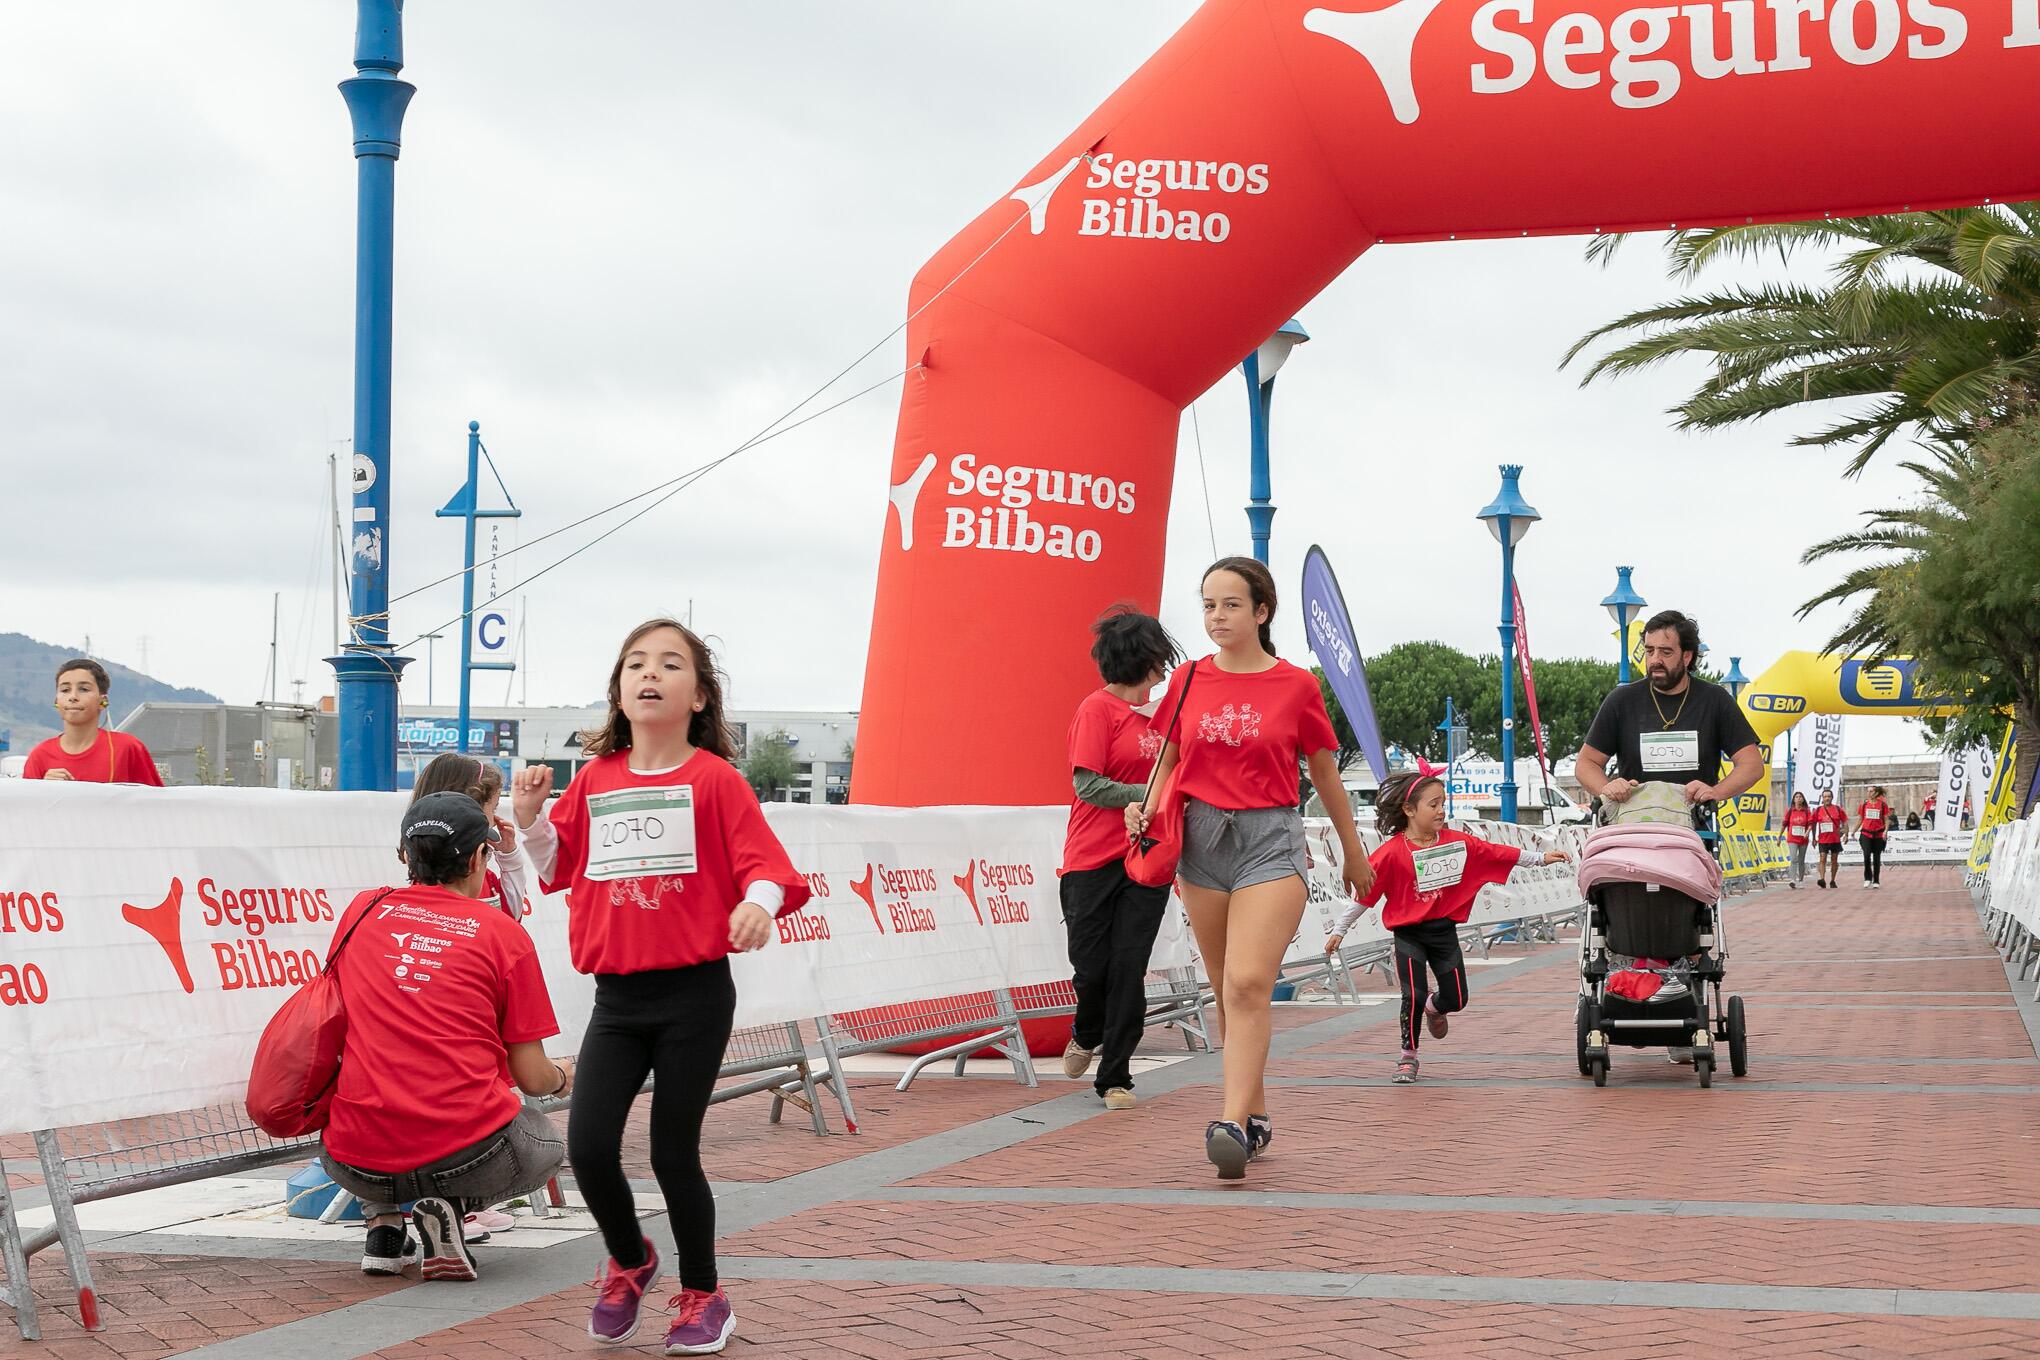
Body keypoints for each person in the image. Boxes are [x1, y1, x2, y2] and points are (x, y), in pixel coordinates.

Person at [513, 618, 809, 1355]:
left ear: (699, 696)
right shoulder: (595, 779)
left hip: (695, 996)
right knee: (585, 1146)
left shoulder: (715, 780)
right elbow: (557, 870)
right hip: (617, 999)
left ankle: (705, 1293)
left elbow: (769, 868)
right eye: (636, 663)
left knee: (675, 1151)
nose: (650, 674)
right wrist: (529, 822)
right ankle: (631, 1259)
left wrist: (758, 905)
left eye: (670, 664)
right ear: (619, 689)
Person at [1128, 557, 1373, 1181]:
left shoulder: (1296, 686)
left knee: (1246, 984)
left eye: (1231, 605)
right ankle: (1256, 1114)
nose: (1217, 617)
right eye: (1209, 605)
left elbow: (1323, 773)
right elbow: (1169, 764)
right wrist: (1146, 811)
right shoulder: (1186, 680)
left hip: (1270, 838)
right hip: (1200, 839)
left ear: (1262, 612)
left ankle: (1231, 1122)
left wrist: (1353, 849)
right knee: (1227, 990)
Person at [319, 793, 572, 1283]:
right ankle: (451, 1208)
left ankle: (385, 1232)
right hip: (466, 1155)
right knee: (546, 1142)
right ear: (479, 857)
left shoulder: (360, 912)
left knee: (383, 1099)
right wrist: (564, 1079)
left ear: (404, 856)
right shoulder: (502, 934)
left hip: (352, 1158)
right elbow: (533, 1077)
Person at [1324, 771, 1569, 1083]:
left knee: (1456, 999)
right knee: (1411, 993)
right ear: (1409, 810)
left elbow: (1495, 852)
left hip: (1443, 933)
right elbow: (1365, 894)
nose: (1441, 811)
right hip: (1408, 934)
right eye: (1433, 804)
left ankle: (1434, 1007)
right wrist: (1340, 929)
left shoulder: (1456, 843)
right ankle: (1407, 1057)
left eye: (1443, 804)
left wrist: (1542, 857)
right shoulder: (1389, 853)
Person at [1059, 607, 1183, 1111]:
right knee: (1092, 969)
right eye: (1159, 657)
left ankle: (1116, 1078)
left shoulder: (1165, 716)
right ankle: (1086, 1030)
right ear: (1143, 660)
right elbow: (1086, 785)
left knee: (1129, 965)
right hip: (1091, 857)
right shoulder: (1096, 710)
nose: (1164, 667)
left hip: (1147, 857)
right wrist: (1149, 792)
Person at [1575, 612, 1764, 823]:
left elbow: (1752, 765)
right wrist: (1607, 787)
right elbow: (1586, 763)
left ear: (1686, 656)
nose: (1655, 660)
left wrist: (1716, 792)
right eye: (1649, 651)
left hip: (1693, 830)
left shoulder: (1714, 699)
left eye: (1665, 652)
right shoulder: (1622, 700)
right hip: (1633, 829)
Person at [412, 754, 527, 920]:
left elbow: (510, 915)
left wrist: (509, 856)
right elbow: (511, 919)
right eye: (493, 809)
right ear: (469, 810)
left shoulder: (479, 874)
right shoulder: (464, 878)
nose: (495, 820)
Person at [23, 658, 163, 785]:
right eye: (65, 690)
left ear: (103, 701)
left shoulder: (128, 748)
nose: (73, 697)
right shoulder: (40, 755)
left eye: (84, 689)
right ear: (56, 701)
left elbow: (155, 805)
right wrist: (43, 789)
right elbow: (26, 810)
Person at [1857, 785, 1893, 889]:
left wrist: (1885, 831)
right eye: (1868, 791)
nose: (1869, 793)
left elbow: (1886, 819)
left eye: (1871, 791)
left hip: (1878, 834)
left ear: (1876, 792)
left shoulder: (1882, 805)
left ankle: (1876, 880)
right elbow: (1860, 819)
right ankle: (1867, 878)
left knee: (1876, 857)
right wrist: (1853, 831)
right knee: (1866, 855)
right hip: (1866, 834)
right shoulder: (1864, 804)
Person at [1812, 789, 1848, 888]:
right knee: (1822, 858)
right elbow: (1813, 823)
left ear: (1832, 798)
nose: (1827, 798)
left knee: (1834, 860)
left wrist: (1846, 834)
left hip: (1835, 839)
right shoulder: (1818, 810)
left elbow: (1845, 821)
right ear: (1822, 798)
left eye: (1829, 796)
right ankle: (1822, 879)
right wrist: (1814, 837)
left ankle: (1832, 880)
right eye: (1825, 797)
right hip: (1823, 839)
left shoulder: (1837, 809)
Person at [1781, 791, 1814, 889]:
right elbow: (1784, 824)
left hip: (1803, 839)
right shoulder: (1790, 810)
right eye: (1796, 797)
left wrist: (1807, 832)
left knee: (1801, 860)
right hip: (1792, 838)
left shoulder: (1807, 811)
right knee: (1793, 858)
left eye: (1800, 797)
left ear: (1803, 799)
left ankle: (1801, 880)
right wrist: (1779, 836)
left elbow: (1810, 824)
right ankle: (1792, 880)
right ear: (1794, 799)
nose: (1798, 798)